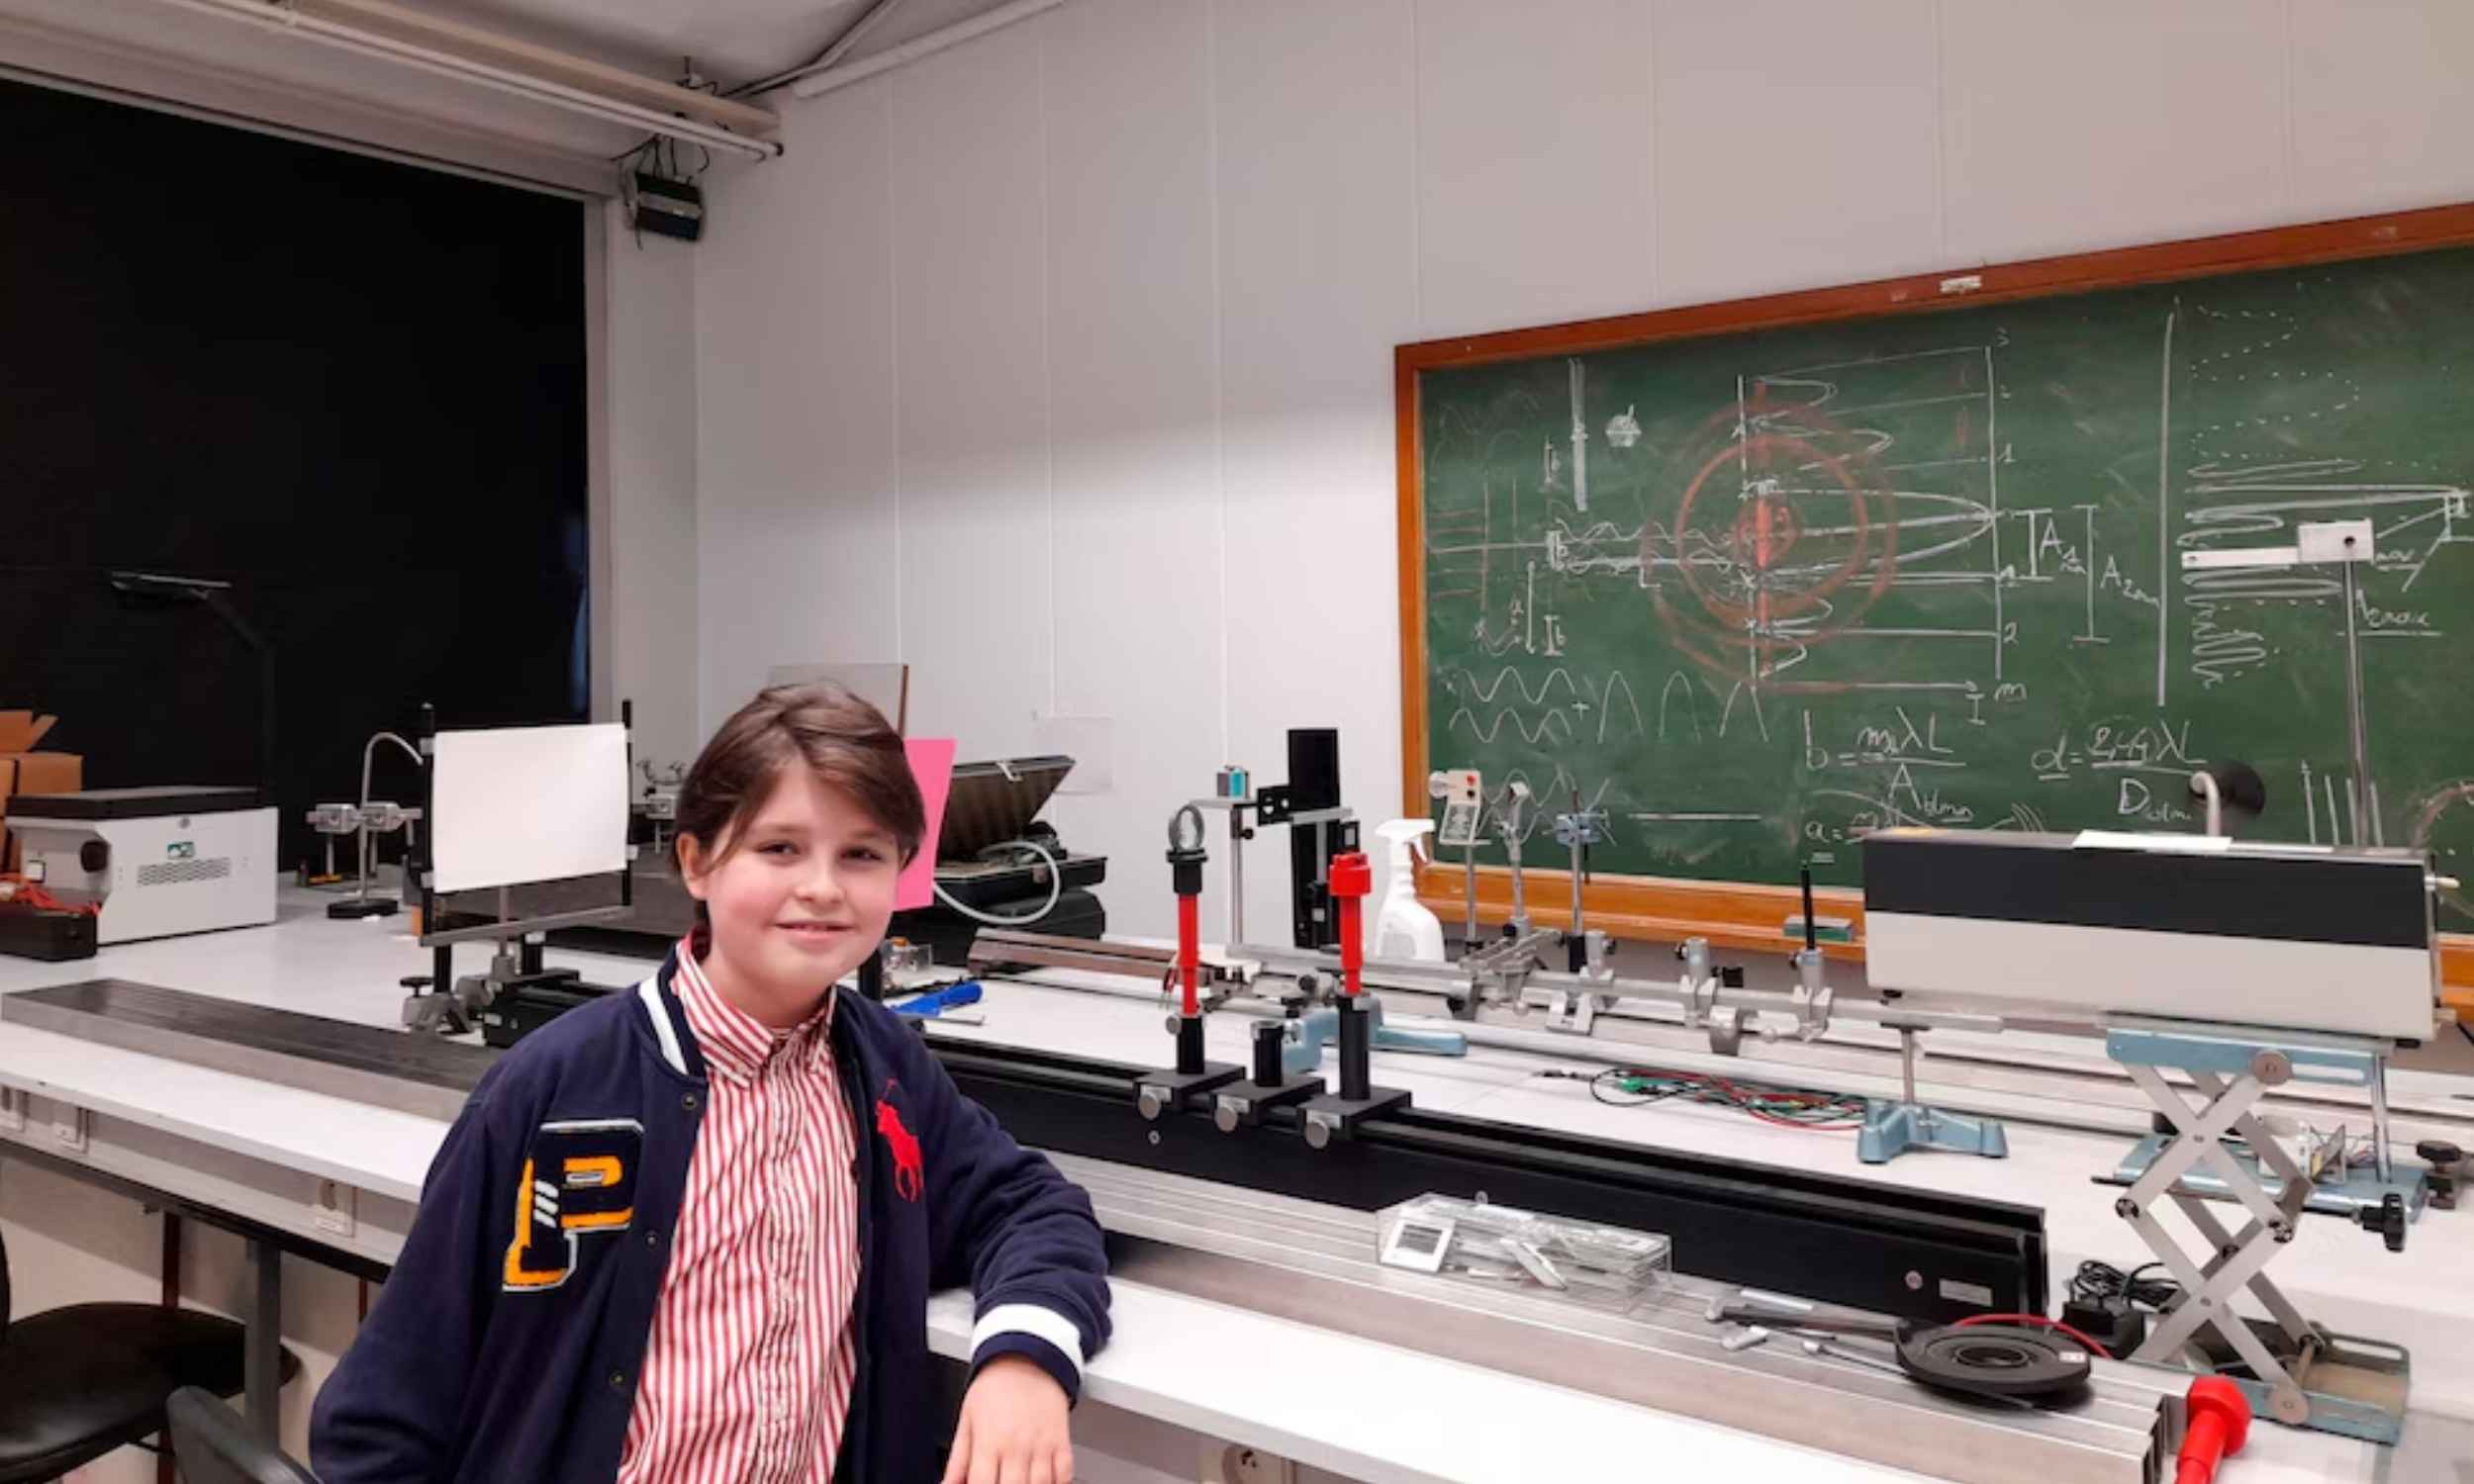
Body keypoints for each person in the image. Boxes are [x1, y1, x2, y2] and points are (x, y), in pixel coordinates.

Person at [313, 684, 1109, 1483]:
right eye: (780, 848)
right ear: (696, 862)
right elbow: (380, 1418)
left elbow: (1032, 1206)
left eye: (862, 854)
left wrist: (1024, 1360)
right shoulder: (554, 1091)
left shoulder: (887, 1072)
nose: (823, 887)